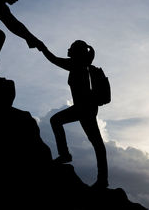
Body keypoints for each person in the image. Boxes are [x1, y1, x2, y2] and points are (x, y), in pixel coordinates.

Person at [38, 40, 109, 189]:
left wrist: (42, 48)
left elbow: (53, 59)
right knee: (96, 143)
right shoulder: (82, 64)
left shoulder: (76, 65)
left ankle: (66, 155)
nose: (69, 52)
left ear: (76, 52)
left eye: (72, 50)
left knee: (56, 121)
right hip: (87, 108)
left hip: (84, 108)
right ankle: (102, 179)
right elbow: (56, 59)